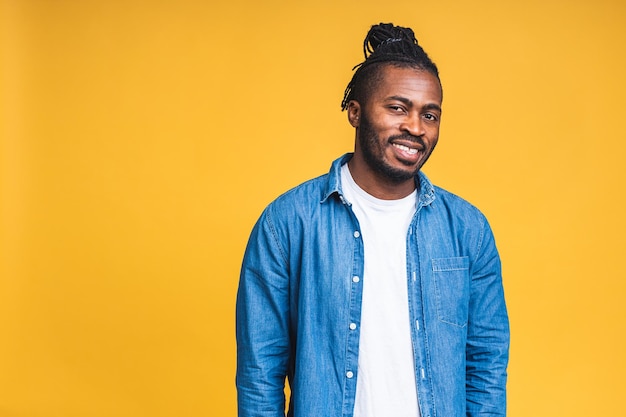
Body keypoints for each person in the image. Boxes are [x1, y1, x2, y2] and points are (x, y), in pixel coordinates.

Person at [236, 22, 509, 417]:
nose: (415, 128)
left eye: (429, 115)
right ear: (355, 112)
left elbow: (486, 362)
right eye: (398, 108)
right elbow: (260, 372)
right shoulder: (287, 224)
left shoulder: (468, 230)